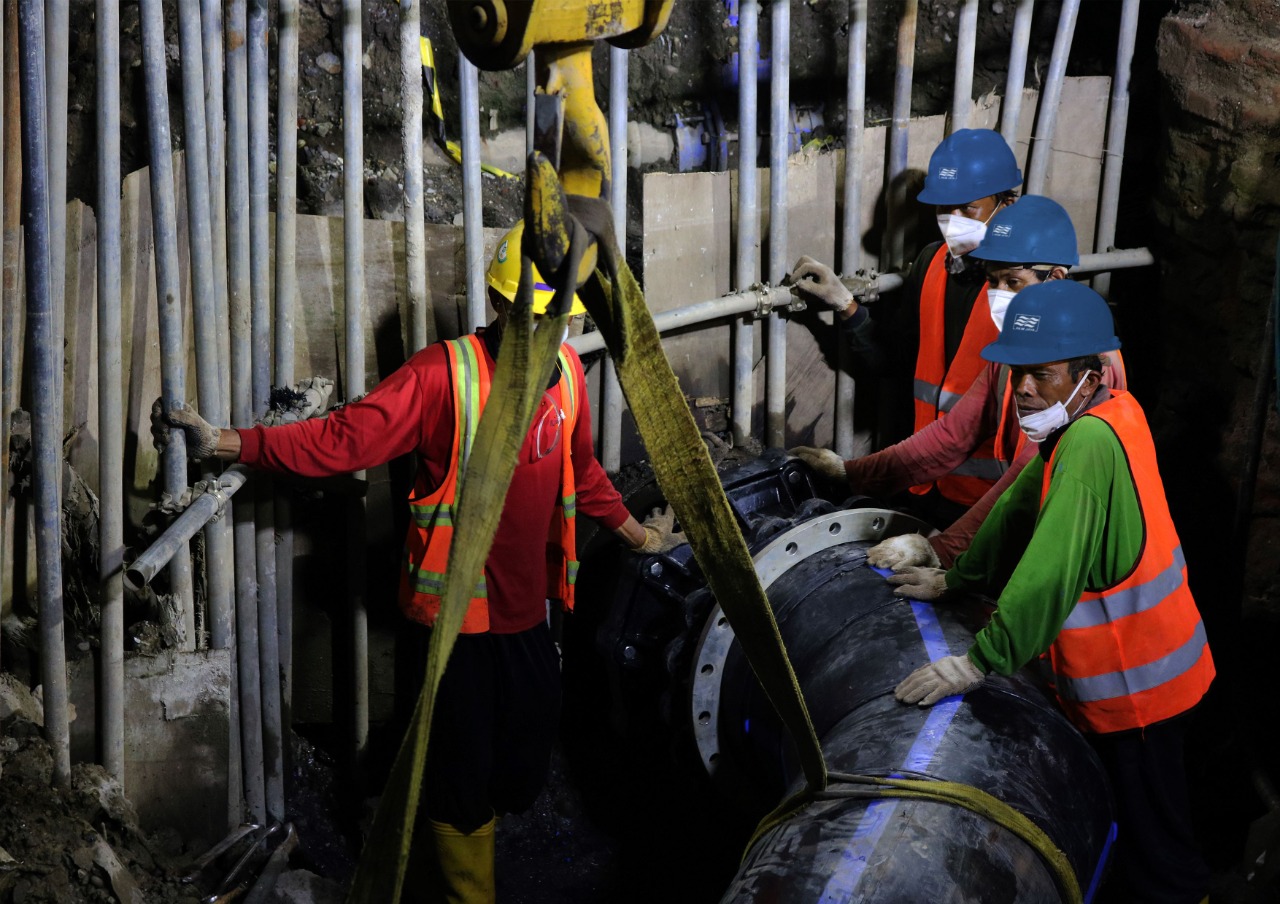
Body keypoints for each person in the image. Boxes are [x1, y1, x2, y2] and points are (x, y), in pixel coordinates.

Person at [154, 220, 681, 903]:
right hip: (454, 624)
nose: (551, 331)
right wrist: (229, 443)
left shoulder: (570, 376)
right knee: (461, 781)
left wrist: (640, 537)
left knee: (521, 765)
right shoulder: (445, 376)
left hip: (528, 614)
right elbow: (342, 441)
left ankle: (462, 843)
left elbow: (581, 472)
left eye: (561, 318)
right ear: (501, 305)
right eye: (538, 315)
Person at [889, 280, 1214, 904]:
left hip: (1138, 689)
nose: (1024, 391)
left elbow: (1050, 569)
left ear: (1088, 376)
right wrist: (957, 577)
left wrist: (978, 660)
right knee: (1135, 830)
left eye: (1041, 375)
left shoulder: (1090, 443)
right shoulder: (1105, 414)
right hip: (1142, 677)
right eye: (1017, 375)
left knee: (1158, 855)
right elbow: (1015, 506)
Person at [789, 196, 1126, 568]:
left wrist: (944, 552)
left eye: (1013, 282)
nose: (999, 295)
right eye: (993, 282)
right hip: (1021, 537)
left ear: (1056, 278)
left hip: (1073, 560)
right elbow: (951, 436)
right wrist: (852, 474)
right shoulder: (1016, 348)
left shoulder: (1085, 360)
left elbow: (1028, 480)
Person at [790, 128, 1023, 526]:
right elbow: (896, 360)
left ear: (1007, 203)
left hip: (992, 503)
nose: (953, 222)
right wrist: (845, 305)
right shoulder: (932, 264)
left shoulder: (1025, 286)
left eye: (968, 209)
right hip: (923, 486)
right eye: (942, 209)